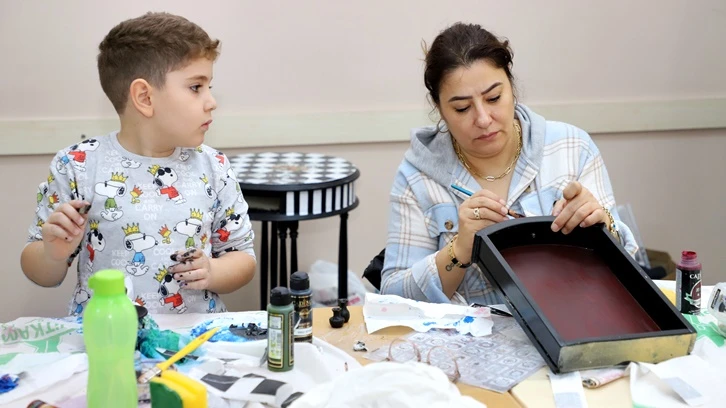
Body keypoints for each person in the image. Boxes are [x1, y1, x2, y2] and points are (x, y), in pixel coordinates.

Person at [381, 23, 638, 305]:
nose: (483, 119)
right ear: (440, 109)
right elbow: (393, 298)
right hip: (468, 334)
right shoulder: (418, 176)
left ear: (512, 88)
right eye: (462, 108)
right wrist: (460, 249)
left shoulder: (571, 147)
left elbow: (627, 278)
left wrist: (604, 226)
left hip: (571, 321)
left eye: (494, 98)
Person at [20, 12, 256, 315]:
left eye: (209, 86)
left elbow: (242, 257)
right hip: (108, 335)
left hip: (197, 337)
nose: (211, 101)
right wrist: (52, 254)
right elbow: (40, 272)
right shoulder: (78, 165)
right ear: (144, 97)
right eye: (196, 87)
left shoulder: (214, 166)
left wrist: (213, 271)